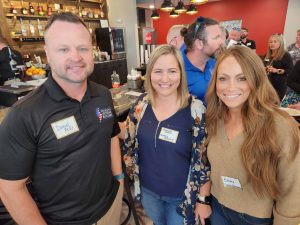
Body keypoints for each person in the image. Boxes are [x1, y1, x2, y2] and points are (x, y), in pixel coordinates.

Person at [0, 12, 123, 225]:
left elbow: (111, 136)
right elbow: (9, 189)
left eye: (83, 48)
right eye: (63, 49)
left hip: (110, 207)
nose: (76, 57)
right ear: (48, 53)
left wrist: (119, 179)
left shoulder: (103, 95)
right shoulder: (24, 114)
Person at [205, 45, 300, 225]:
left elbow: (293, 187)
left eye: (242, 78)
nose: (231, 87)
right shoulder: (213, 118)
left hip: (254, 218)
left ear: (256, 79)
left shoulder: (280, 125)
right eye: (223, 78)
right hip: (217, 207)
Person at [122, 44, 211, 225]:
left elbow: (204, 160)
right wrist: (99, 122)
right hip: (148, 192)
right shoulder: (141, 105)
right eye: (158, 71)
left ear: (181, 74)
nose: (165, 79)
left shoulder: (196, 110)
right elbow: (128, 137)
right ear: (149, 74)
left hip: (181, 197)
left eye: (172, 71)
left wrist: (203, 199)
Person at [183, 16, 223, 102]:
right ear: (199, 43)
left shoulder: (215, 63)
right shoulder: (176, 69)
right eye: (216, 38)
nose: (221, 42)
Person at [264, 34, 293, 100]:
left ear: (280, 43)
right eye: (270, 42)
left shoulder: (285, 55)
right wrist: (265, 68)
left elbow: (290, 71)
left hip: (279, 85)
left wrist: (276, 70)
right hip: (267, 83)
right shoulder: (267, 55)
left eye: (275, 42)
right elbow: (263, 66)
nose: (272, 44)